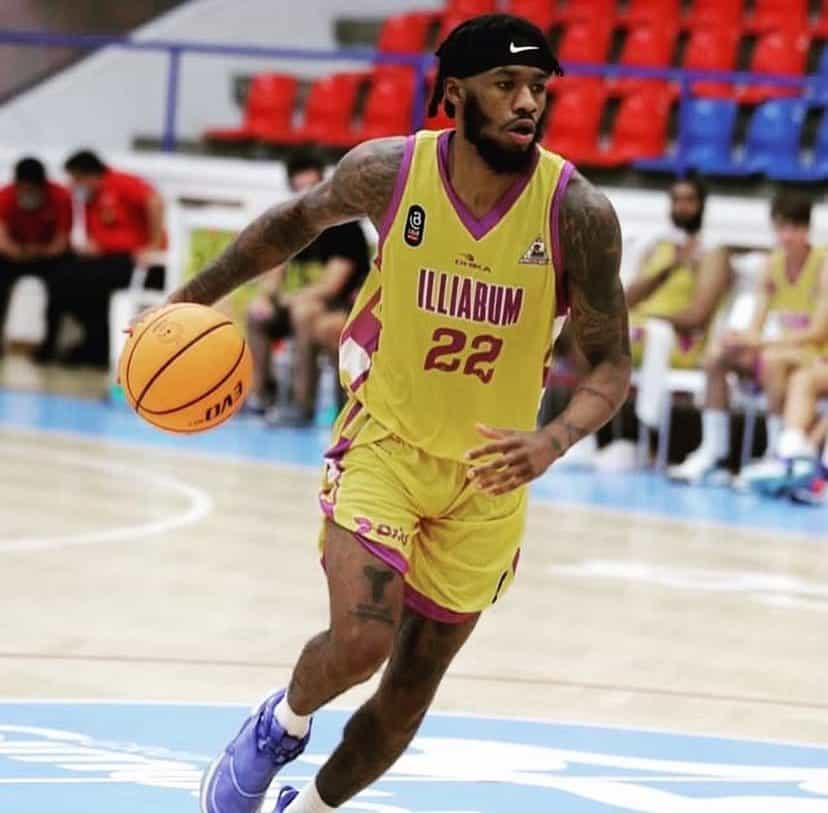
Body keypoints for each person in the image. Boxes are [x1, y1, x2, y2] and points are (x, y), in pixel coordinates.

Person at [146, 15, 631, 813]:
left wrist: (551, 439)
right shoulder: (389, 172)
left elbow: (612, 361)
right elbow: (288, 227)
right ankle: (281, 722)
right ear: (453, 94)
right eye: (506, 85)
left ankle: (309, 808)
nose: (526, 103)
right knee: (362, 641)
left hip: (489, 482)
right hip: (387, 445)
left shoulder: (578, 212)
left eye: (537, 88)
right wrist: (184, 304)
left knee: (407, 694)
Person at [669, 192, 826, 484]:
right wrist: (740, 338)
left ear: (807, 230)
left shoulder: (823, 264)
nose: (786, 236)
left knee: (772, 360)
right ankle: (713, 451)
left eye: (793, 229)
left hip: (814, 354)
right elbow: (758, 324)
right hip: (779, 349)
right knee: (717, 355)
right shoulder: (772, 264)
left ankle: (775, 454)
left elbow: (818, 332)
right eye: (781, 228)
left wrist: (759, 343)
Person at [245, 151, 370, 424]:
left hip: (343, 307)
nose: (308, 195)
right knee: (256, 312)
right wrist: (266, 297)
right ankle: (261, 395)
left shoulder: (344, 226)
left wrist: (290, 300)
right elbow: (274, 270)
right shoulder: (289, 226)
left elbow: (331, 285)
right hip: (300, 302)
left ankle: (302, 404)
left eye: (313, 187)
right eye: (300, 189)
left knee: (305, 312)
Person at [42, 150, 165, 366]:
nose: (73, 185)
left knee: (85, 283)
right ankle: (79, 346)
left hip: (135, 261)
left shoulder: (121, 183)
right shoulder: (89, 198)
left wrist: (154, 244)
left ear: (91, 176)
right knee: (60, 278)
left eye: (77, 179)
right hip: (105, 259)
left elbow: (154, 200)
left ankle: (97, 347)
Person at [625, 175, 730, 371]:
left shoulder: (711, 253)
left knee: (652, 336)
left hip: (678, 339)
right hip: (638, 330)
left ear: (701, 205)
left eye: (689, 200)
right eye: (676, 200)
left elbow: (697, 318)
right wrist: (669, 267)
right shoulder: (655, 246)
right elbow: (627, 300)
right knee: (580, 332)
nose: (682, 207)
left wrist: (650, 319)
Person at [0, 157, 72, 352]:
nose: (26, 193)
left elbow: (61, 242)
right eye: (22, 189)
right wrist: (18, 252)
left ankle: (49, 349)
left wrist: (38, 251)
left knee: (63, 284)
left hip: (48, 258)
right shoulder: (5, 196)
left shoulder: (61, 197)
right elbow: (2, 238)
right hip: (14, 255)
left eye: (30, 189)